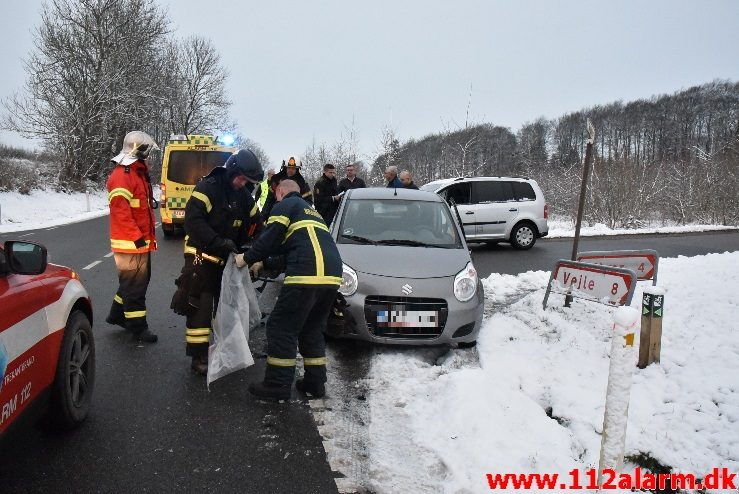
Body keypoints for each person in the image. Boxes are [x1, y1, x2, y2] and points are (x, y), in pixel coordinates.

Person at [244, 179, 342, 400]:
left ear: (280, 192)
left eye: (276, 194)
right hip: (332, 276)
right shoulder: (312, 213)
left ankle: (277, 385)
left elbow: (269, 239)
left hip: (305, 275)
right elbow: (296, 250)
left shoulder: (285, 205)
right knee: (312, 329)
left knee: (281, 327)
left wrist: (248, 258)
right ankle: (315, 383)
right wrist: (266, 263)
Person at [182, 149, 264, 375]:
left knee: (227, 305)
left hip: (226, 260)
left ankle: (225, 347)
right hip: (201, 255)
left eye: (247, 181)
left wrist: (256, 251)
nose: (243, 184)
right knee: (201, 305)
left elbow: (258, 222)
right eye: (241, 178)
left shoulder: (243, 194)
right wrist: (219, 242)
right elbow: (193, 223)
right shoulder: (208, 188)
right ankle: (198, 355)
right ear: (232, 170)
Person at [105, 130, 159, 343]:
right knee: (135, 287)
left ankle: (117, 315)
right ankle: (138, 327)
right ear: (139, 149)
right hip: (130, 244)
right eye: (146, 150)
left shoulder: (136, 173)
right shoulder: (123, 176)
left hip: (138, 242)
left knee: (131, 284)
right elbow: (121, 213)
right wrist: (137, 238)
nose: (148, 154)